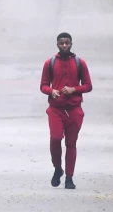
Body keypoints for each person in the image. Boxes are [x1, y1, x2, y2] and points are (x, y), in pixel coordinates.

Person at [40, 32, 92, 190]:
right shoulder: (49, 63)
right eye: (61, 43)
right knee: (55, 139)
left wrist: (74, 89)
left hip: (74, 110)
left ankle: (69, 178)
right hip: (56, 109)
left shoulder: (79, 63)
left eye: (67, 43)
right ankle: (58, 168)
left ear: (71, 44)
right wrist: (51, 91)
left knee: (71, 143)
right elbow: (43, 86)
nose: (64, 45)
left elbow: (88, 86)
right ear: (57, 44)